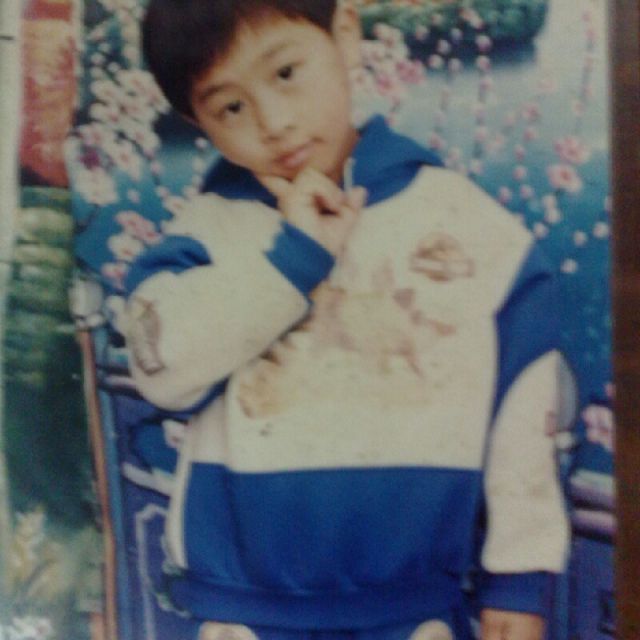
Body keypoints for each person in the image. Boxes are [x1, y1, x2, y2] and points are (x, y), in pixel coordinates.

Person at [124, 1, 570, 638]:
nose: (274, 123)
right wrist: (292, 262)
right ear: (198, 122)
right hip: (246, 614)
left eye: (286, 74)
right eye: (231, 107)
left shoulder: (467, 224)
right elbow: (160, 372)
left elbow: (524, 407)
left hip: (412, 609)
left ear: (345, 36)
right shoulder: (205, 235)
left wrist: (519, 579)